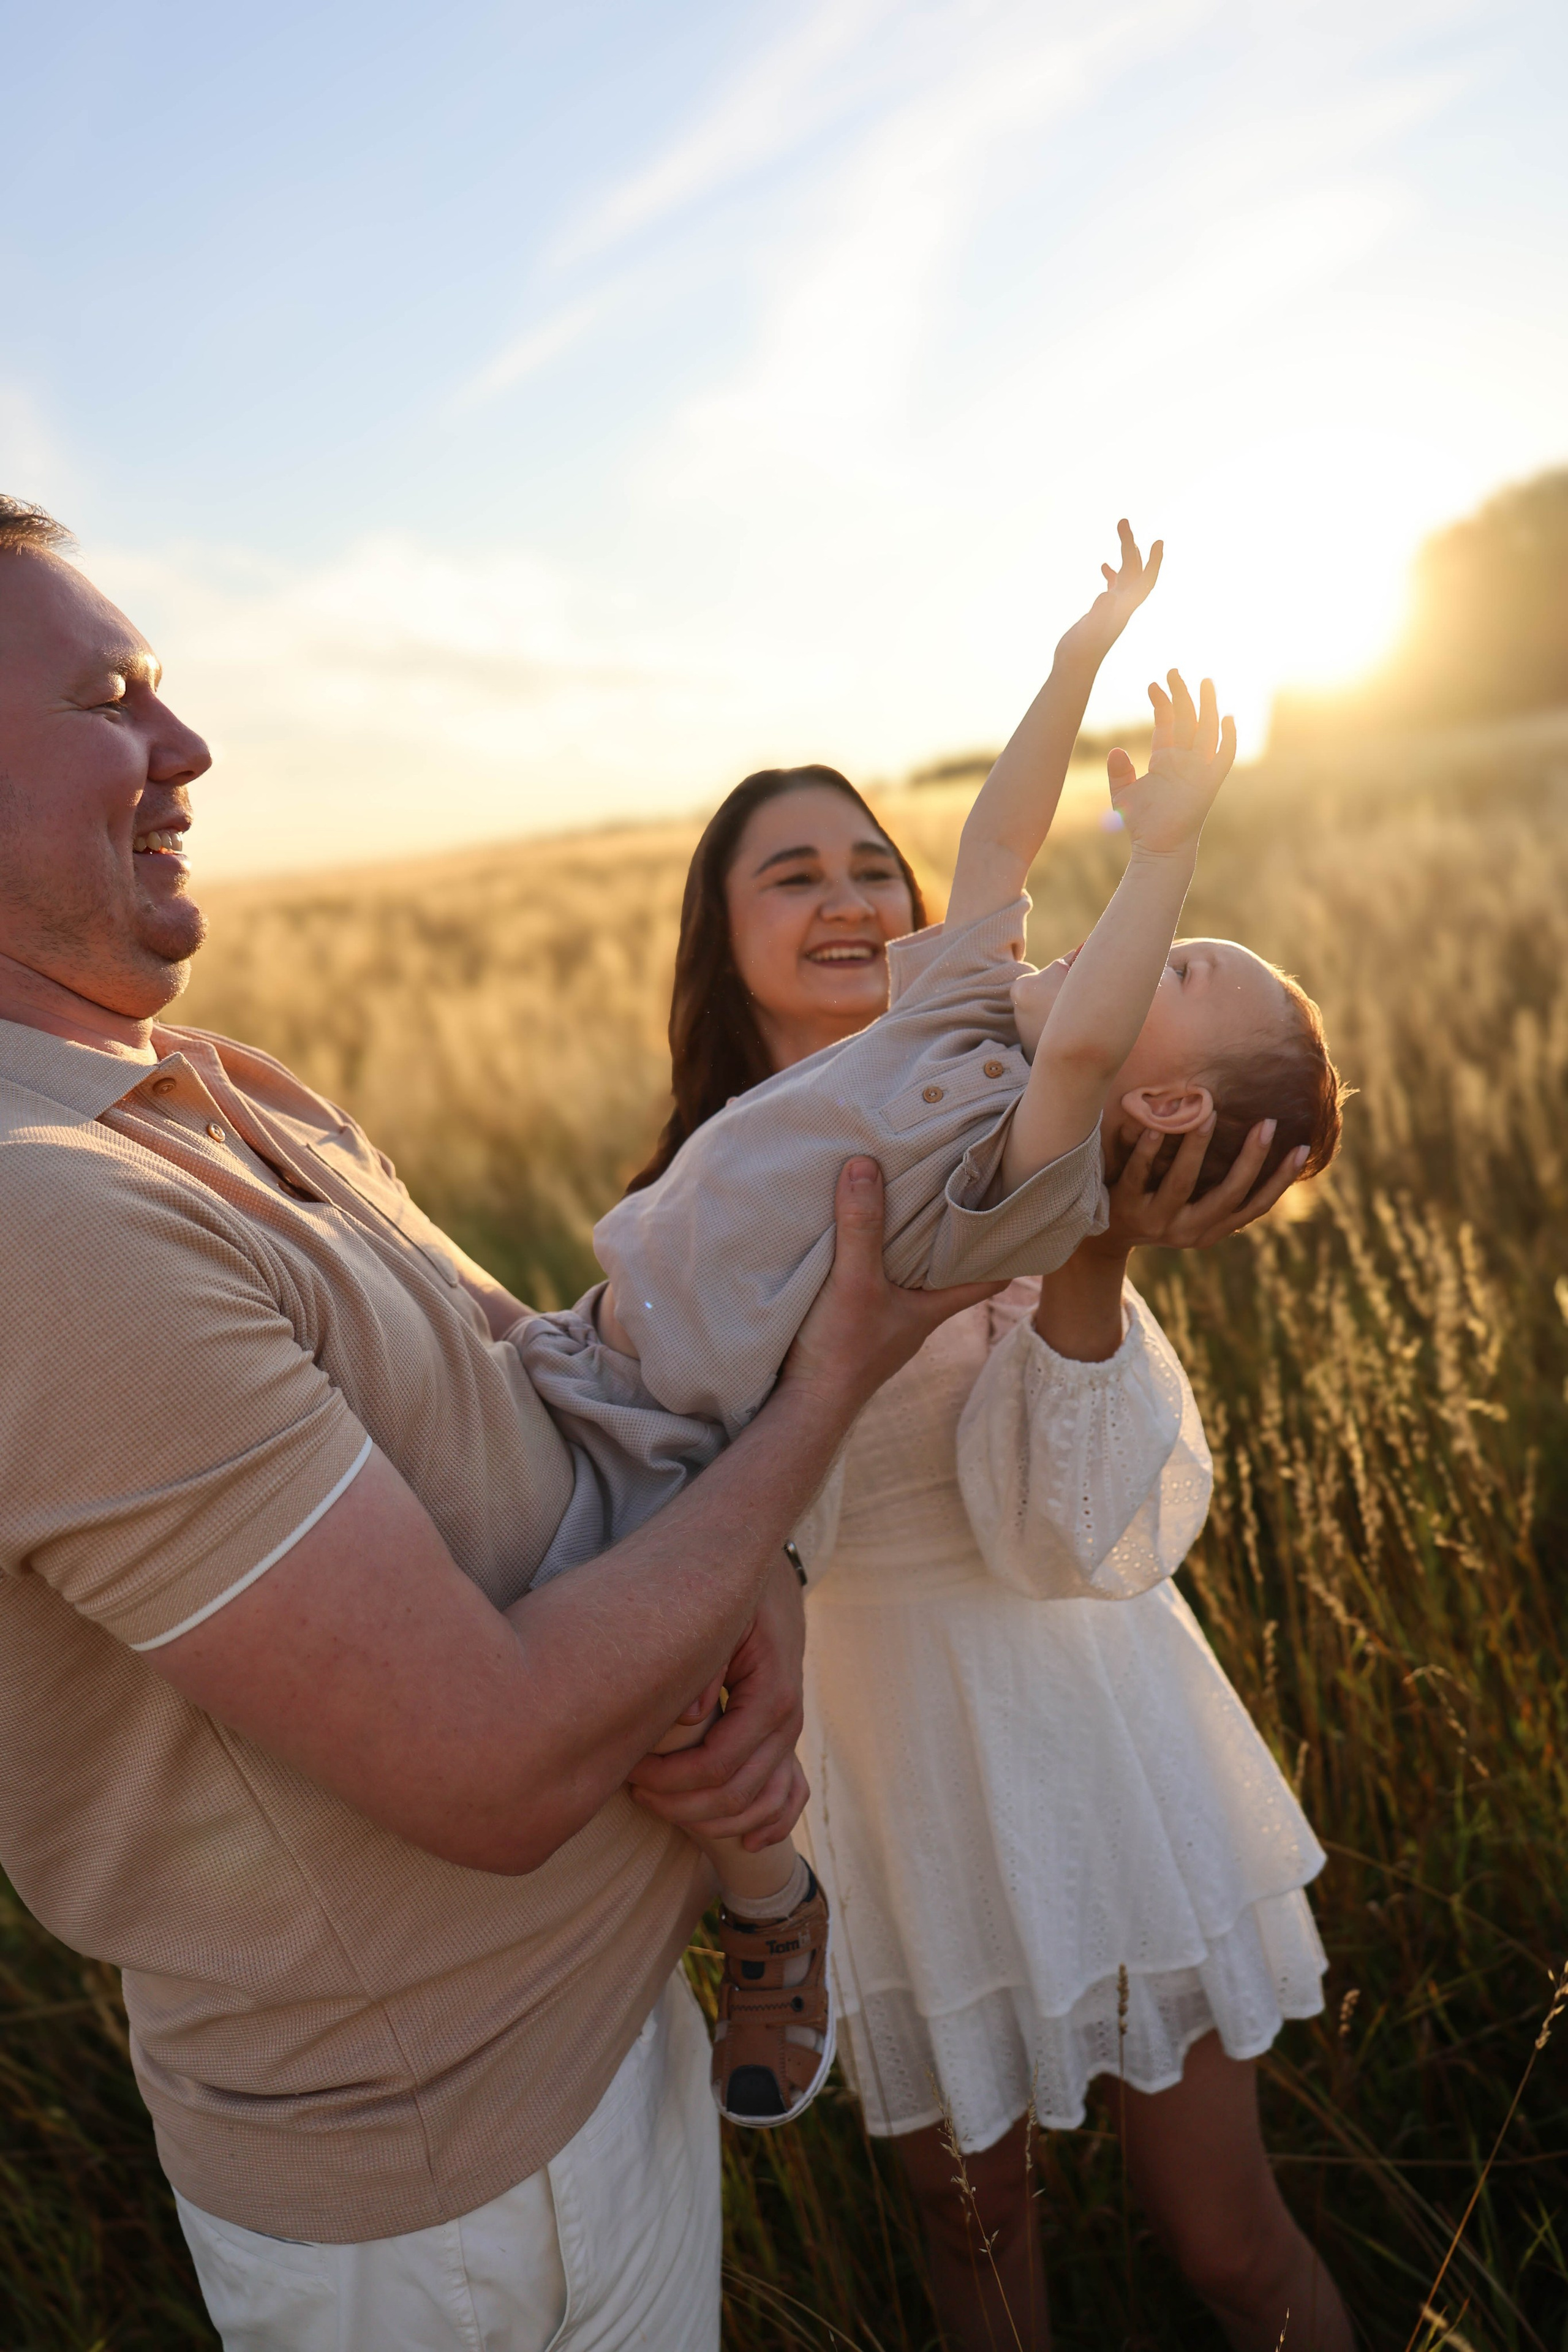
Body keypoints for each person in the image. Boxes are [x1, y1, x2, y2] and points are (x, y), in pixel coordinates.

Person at [0, 494, 1005, 2352]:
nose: (189, 744)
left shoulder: (216, 1085)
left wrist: (758, 1569)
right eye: (114, 695)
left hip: (597, 2052)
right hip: (442, 2200)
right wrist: (832, 1389)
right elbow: (495, 1772)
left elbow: (540, 1394)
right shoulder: (35, 1216)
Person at [629, 771, 1353, 2336]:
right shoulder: (700, 1208)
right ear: (718, 932)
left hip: (1094, 1719)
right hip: (881, 1768)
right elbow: (736, 1522)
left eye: (871, 866)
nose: (847, 898)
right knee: (977, 2237)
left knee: (1231, 2244)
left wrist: (1091, 1258)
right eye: (790, 874)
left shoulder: (1032, 1136)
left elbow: (1067, 1540)